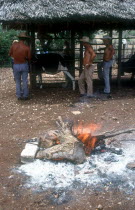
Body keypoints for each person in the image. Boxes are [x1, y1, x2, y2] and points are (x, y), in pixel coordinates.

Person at [9, 32, 31, 100]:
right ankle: (25, 96)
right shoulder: (27, 47)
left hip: (16, 65)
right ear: (25, 39)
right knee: (25, 81)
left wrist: (15, 56)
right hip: (24, 64)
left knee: (18, 81)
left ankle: (19, 96)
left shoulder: (13, 45)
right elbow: (29, 58)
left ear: (19, 38)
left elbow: (10, 54)